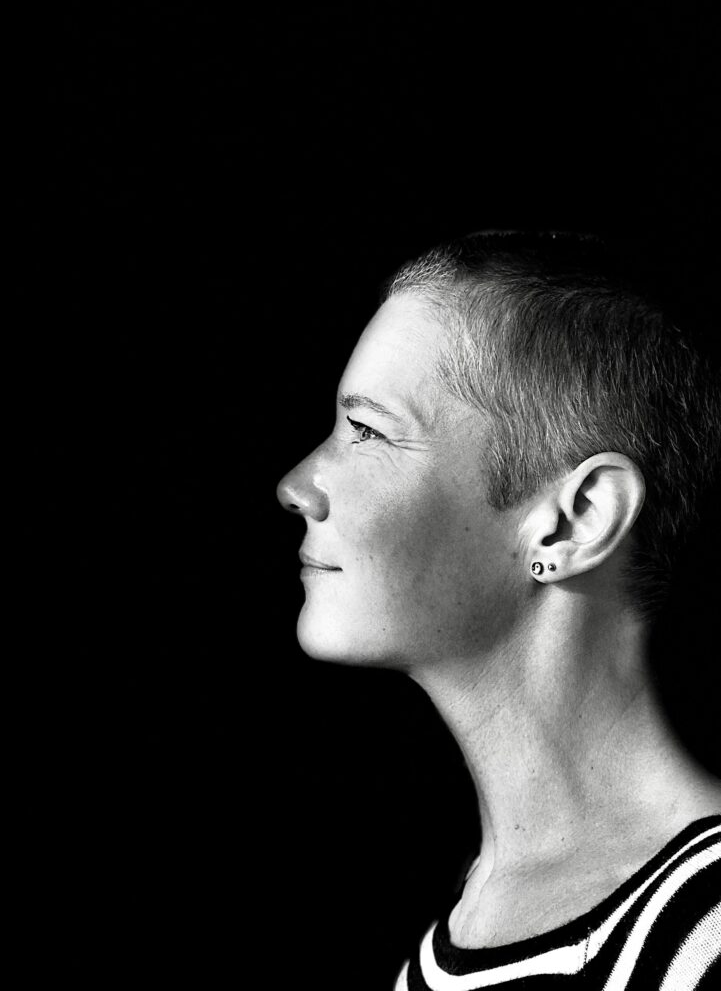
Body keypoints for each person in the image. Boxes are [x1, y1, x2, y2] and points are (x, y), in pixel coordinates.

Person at [276, 232, 721, 989]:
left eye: (369, 431)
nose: (296, 485)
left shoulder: (703, 942)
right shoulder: (458, 930)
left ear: (575, 521)